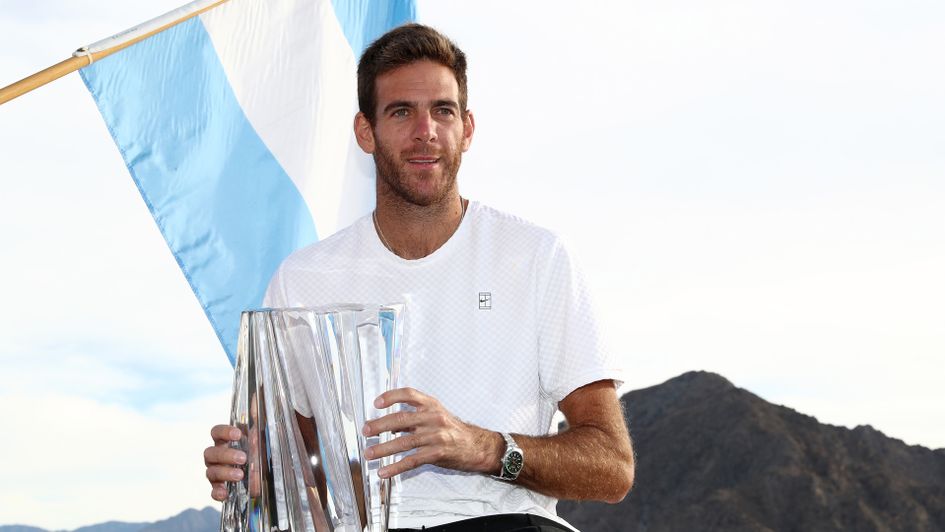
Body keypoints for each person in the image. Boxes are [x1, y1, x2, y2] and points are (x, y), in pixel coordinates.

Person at [204, 23, 634, 531]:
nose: (425, 130)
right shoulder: (303, 280)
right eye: (402, 111)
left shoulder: (536, 256)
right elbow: (296, 468)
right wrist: (255, 472)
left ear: (467, 128)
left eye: (443, 111)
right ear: (366, 132)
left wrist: (482, 448)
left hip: (506, 523)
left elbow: (612, 466)